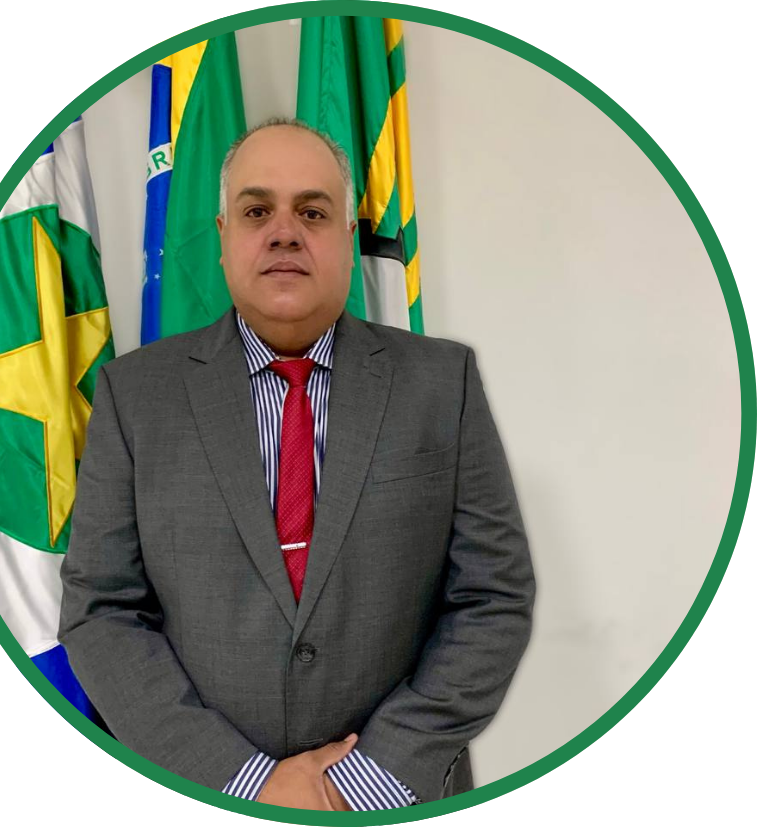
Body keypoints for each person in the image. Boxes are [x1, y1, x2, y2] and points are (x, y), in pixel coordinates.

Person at [58, 118, 535, 811]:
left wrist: (363, 780)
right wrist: (243, 783)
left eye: (312, 212)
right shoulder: (135, 395)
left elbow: (492, 599)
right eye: (257, 211)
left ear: (348, 237)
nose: (284, 232)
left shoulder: (442, 383)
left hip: (393, 797)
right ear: (223, 236)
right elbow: (101, 612)